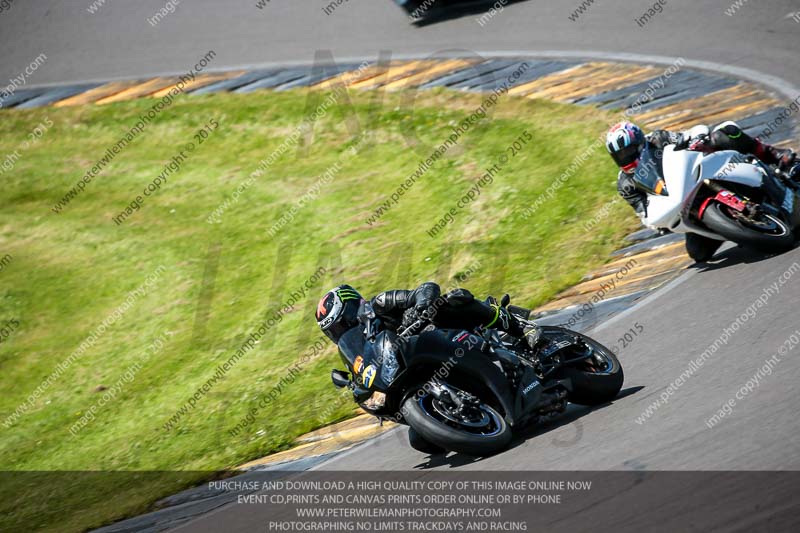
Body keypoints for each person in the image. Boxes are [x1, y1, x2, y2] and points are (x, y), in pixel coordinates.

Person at [606, 120, 799, 219]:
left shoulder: (657, 139)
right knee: (698, 254)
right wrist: (657, 224)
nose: (627, 158)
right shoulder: (625, 184)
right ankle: (738, 225)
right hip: (685, 208)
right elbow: (643, 213)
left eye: (629, 151)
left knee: (726, 133)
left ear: (639, 141)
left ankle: (773, 154)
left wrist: (697, 138)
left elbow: (684, 137)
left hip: (697, 171)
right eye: (620, 156)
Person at [315, 282, 539, 348]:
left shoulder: (381, 304)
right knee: (421, 441)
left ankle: (518, 325)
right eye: (335, 330)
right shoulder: (363, 350)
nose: (344, 330)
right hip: (426, 359)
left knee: (453, 299)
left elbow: (425, 288)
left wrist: (423, 305)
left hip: (442, 329)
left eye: (343, 323)